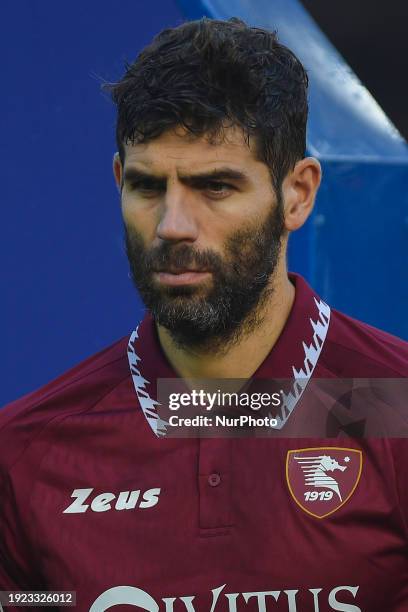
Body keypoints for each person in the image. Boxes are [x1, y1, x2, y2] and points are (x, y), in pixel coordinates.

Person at [1, 16, 407, 612]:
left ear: (297, 193)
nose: (172, 226)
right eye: (146, 186)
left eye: (215, 186)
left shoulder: (392, 405)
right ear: (117, 180)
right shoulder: (30, 451)